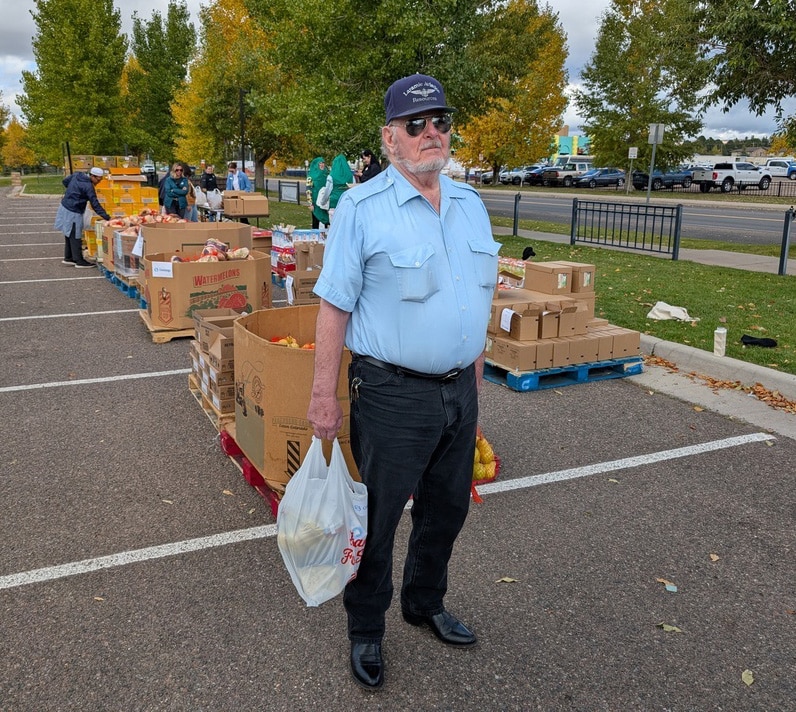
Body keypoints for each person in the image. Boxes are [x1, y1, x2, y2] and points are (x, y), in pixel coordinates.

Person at [307, 73, 500, 691]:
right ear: (390, 139)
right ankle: (366, 628)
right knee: (381, 519)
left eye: (439, 121)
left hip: (458, 391)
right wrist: (322, 397)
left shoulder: (470, 204)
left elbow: (477, 293)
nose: (431, 133)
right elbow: (334, 307)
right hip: (392, 394)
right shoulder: (362, 209)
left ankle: (423, 602)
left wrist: (473, 375)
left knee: (445, 511)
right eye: (415, 125)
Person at [54, 166, 111, 268]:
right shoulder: (88, 187)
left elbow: (65, 182)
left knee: (69, 233)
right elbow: (95, 204)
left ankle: (69, 257)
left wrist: (72, 192)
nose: (99, 182)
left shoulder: (77, 175)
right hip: (74, 210)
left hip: (65, 206)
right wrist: (107, 217)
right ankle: (79, 260)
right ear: (92, 176)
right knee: (75, 235)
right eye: (98, 179)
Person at [327, 153, 354, 222]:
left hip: (334, 202)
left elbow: (327, 191)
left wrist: (323, 201)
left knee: (334, 226)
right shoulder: (351, 176)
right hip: (346, 203)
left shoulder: (331, 176)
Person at [306, 157, 330, 229]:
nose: (322, 165)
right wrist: (310, 203)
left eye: (323, 163)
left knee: (327, 221)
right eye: (320, 164)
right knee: (315, 222)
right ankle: (314, 239)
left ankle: (326, 239)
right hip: (315, 203)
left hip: (326, 202)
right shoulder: (310, 176)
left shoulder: (328, 174)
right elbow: (308, 190)